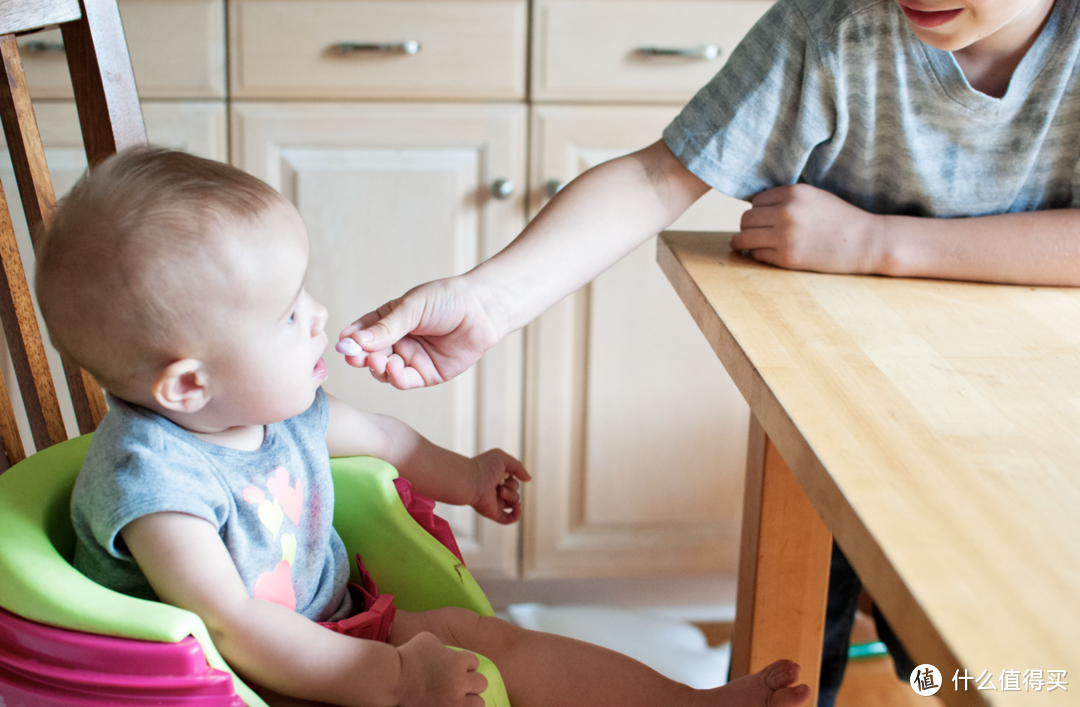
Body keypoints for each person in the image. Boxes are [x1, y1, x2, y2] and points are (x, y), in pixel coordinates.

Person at [334, 0, 1080, 704]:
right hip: (837, 406)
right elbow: (662, 173)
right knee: (795, 651)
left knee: (973, 660)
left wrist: (876, 242)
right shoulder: (833, 26)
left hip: (1025, 428)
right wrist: (490, 300)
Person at [37, 147, 810, 707]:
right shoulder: (158, 486)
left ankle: (686, 703)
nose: (318, 317)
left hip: (336, 626)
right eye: (286, 316)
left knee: (494, 641)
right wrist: (399, 678)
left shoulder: (271, 409)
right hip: (233, 681)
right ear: (189, 383)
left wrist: (467, 475)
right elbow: (231, 627)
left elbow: (387, 438)